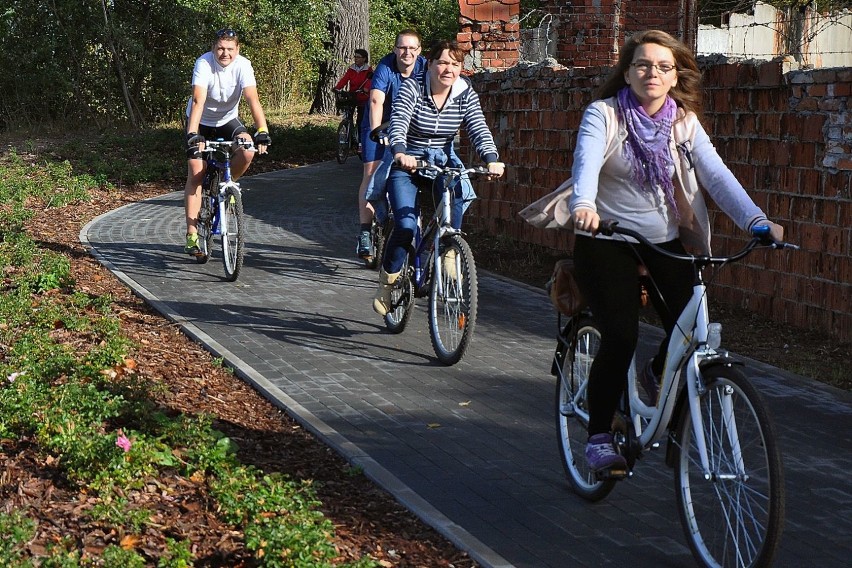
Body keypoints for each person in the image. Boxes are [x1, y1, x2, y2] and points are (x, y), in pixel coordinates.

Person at [567, 30, 784, 472]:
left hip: (663, 242)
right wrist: (584, 205)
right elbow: (585, 164)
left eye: (663, 67)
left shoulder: (683, 123)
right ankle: (599, 435)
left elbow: (717, 176)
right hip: (606, 239)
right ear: (627, 73)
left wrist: (756, 221)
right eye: (644, 65)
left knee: (692, 332)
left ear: (674, 76)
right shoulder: (604, 115)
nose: (653, 73)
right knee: (622, 335)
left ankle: (656, 376)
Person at [372, 40, 505, 316]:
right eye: (443, 62)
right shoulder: (413, 87)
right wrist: (400, 152)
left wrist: (491, 159)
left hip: (442, 160)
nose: (449, 69)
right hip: (408, 160)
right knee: (406, 226)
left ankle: (449, 250)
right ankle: (387, 283)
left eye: (455, 64)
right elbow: (399, 122)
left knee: (457, 192)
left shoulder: (464, 93)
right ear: (430, 64)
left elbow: (478, 127)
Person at [183, 28, 271, 256]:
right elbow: (198, 100)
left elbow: (253, 98)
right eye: (221, 48)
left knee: (248, 150)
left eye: (230, 49)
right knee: (196, 171)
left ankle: (225, 186)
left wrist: (262, 130)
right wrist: (193, 133)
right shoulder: (203, 63)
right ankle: (192, 234)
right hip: (200, 121)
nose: (225, 53)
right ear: (214, 48)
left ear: (237, 49)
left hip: (228, 121)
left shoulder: (243, 65)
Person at [354, 29, 428, 260]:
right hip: (379, 125)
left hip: (409, 127)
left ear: (419, 51)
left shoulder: (425, 67)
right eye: (402, 48)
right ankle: (365, 232)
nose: (407, 52)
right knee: (371, 171)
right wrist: (377, 132)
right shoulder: (386, 67)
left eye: (412, 48)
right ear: (395, 49)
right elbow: (376, 100)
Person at [333, 49, 372, 132]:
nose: (356, 59)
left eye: (358, 57)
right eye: (355, 57)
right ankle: (348, 131)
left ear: (364, 59)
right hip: (352, 95)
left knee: (360, 119)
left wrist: (365, 89)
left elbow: (370, 81)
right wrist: (337, 87)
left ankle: (360, 138)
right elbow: (345, 79)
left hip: (363, 97)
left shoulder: (368, 70)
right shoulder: (351, 69)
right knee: (348, 115)